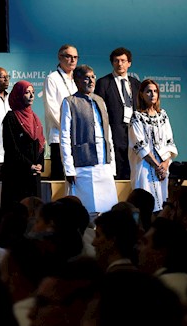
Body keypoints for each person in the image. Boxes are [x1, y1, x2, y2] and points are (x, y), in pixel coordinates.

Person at [60, 65, 118, 214]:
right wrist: (69, 168)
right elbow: (65, 137)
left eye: (93, 77)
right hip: (83, 166)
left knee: (108, 211)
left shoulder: (100, 100)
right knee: (87, 211)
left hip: (104, 164)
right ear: (77, 80)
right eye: (86, 77)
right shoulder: (70, 102)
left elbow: (108, 133)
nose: (91, 81)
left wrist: (112, 164)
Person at [130, 78, 177, 213]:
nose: (152, 94)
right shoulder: (137, 116)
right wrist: (157, 166)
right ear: (142, 94)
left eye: (155, 91)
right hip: (145, 167)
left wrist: (165, 165)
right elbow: (139, 145)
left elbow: (170, 142)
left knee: (163, 205)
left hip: (163, 167)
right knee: (145, 205)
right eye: (149, 91)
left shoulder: (163, 115)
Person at [94, 47, 140, 182]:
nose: (120, 64)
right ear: (112, 63)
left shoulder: (136, 84)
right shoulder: (103, 83)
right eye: (116, 61)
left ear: (129, 63)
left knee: (134, 163)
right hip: (114, 130)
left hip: (134, 130)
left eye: (123, 61)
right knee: (119, 165)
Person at [0, 80, 44, 208]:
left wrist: (40, 164)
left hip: (34, 175)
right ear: (18, 95)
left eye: (33, 92)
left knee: (34, 211)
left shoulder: (35, 118)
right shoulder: (11, 118)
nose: (31, 96)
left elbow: (41, 143)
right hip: (17, 174)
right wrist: (29, 166)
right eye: (27, 92)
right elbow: (11, 148)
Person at [43, 44, 78, 180]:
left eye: (75, 57)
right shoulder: (52, 79)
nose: (72, 60)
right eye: (68, 56)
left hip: (77, 137)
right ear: (60, 57)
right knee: (61, 177)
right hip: (59, 136)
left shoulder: (78, 79)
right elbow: (52, 109)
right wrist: (68, 129)